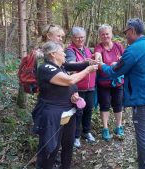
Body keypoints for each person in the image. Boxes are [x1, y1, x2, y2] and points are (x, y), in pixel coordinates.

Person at [98, 18, 145, 169]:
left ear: (133, 31)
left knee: (144, 140)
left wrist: (101, 65)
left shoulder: (134, 49)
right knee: (144, 137)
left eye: (126, 32)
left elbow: (113, 73)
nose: (125, 36)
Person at [32, 41, 97, 169]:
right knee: (51, 148)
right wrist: (88, 70)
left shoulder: (61, 67)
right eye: (62, 52)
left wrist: (74, 96)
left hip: (69, 113)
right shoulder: (46, 68)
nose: (65, 54)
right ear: (53, 54)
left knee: (68, 145)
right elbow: (70, 80)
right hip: (53, 115)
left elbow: (68, 82)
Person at [65, 27, 97, 147]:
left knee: (89, 109)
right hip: (78, 87)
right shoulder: (70, 50)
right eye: (77, 37)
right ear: (73, 38)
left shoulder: (87, 49)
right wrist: (86, 62)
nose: (80, 39)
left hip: (90, 87)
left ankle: (86, 132)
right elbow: (71, 65)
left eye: (82, 37)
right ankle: (76, 136)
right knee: (78, 112)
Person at [94, 24, 125, 141]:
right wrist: (100, 61)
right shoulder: (99, 47)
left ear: (111, 34)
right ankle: (105, 128)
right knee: (105, 105)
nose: (105, 36)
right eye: (103, 34)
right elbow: (98, 58)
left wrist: (117, 64)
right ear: (100, 36)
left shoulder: (118, 45)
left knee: (118, 104)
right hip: (104, 82)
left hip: (118, 81)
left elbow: (125, 58)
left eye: (107, 33)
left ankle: (119, 126)